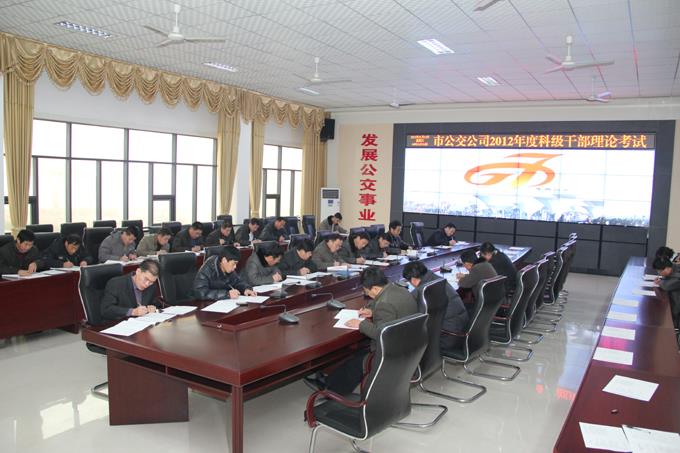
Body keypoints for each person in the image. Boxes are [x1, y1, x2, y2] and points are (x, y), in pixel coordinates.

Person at [324, 267, 418, 395]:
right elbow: (393, 309)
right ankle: (331, 381)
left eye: (366, 291)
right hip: (410, 345)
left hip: (393, 352)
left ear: (374, 288)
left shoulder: (384, 304)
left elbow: (381, 334)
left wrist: (361, 324)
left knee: (354, 364)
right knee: (358, 354)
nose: (367, 295)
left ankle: (331, 392)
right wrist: (373, 311)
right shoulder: (400, 289)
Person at [403, 261, 468, 351]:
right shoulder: (439, 279)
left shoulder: (422, 291)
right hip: (463, 330)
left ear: (413, 279)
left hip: (448, 337)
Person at [653, 257, 680, 328]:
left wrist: (660, 282)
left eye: (660, 271)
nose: (659, 273)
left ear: (667, 268)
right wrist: (661, 280)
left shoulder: (678, 276)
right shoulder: (674, 267)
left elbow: (667, 286)